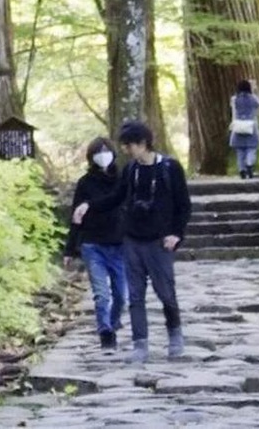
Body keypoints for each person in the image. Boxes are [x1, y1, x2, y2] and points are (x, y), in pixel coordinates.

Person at [73, 120, 191, 365]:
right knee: (135, 296)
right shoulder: (130, 170)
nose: (125, 150)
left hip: (160, 241)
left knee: (165, 293)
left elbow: (183, 205)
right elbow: (116, 197)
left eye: (129, 145)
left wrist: (176, 234)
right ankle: (140, 343)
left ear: (143, 143)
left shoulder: (170, 168)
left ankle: (175, 334)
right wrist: (88, 206)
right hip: (132, 240)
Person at [63, 137, 127, 351]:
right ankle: (105, 332)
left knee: (121, 295)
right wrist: (70, 248)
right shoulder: (85, 183)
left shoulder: (123, 179)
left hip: (119, 244)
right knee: (101, 294)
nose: (103, 155)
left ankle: (114, 320)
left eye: (106, 150)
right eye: (97, 152)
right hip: (93, 245)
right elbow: (76, 217)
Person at [230, 79, 259, 179]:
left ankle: (242, 170)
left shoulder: (234, 99)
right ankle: (249, 164)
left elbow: (233, 112)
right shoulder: (253, 98)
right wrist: (255, 91)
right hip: (251, 127)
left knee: (240, 151)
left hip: (238, 126)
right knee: (252, 149)